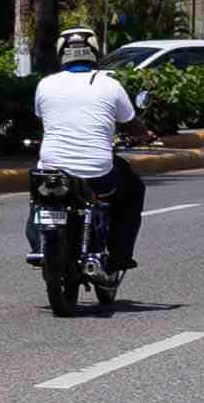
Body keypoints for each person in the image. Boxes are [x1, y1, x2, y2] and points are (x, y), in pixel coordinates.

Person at [31, 28, 143, 273]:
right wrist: (145, 136)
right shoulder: (110, 85)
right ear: (94, 51)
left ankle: (38, 245)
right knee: (133, 190)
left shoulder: (45, 85)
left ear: (61, 53)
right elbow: (131, 123)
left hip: (52, 169)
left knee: (40, 198)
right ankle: (120, 255)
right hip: (98, 174)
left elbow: (44, 121)